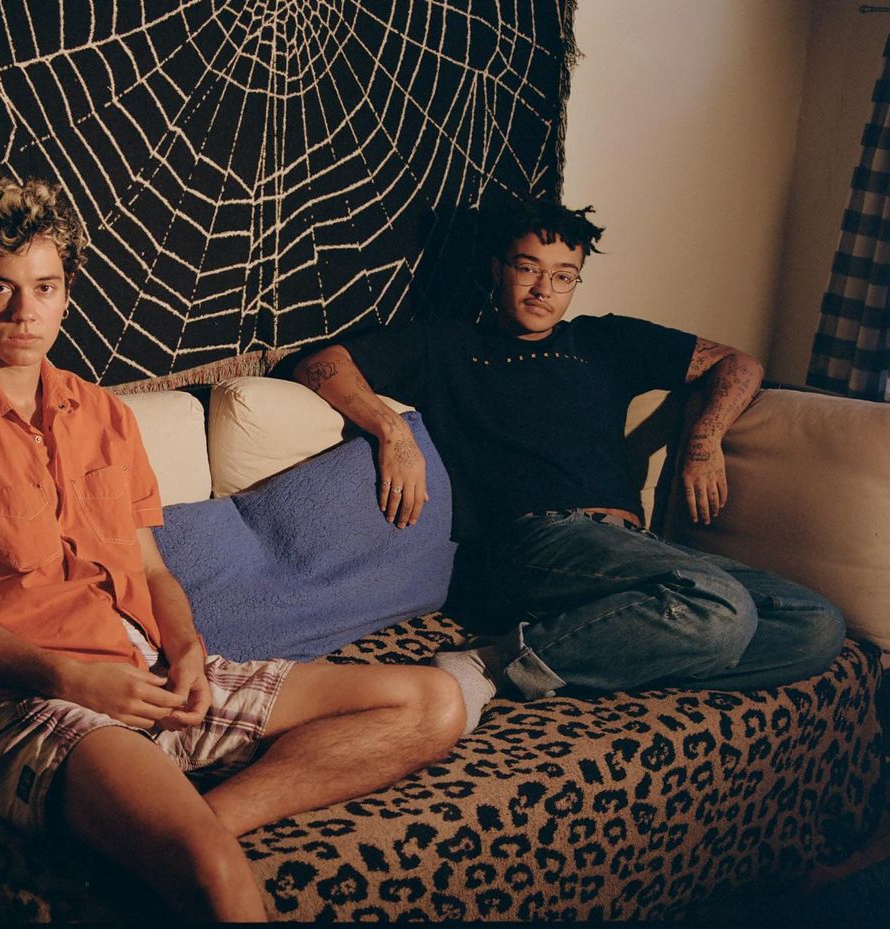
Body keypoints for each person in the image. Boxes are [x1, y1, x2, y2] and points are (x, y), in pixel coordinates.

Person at [0, 177, 464, 922]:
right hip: (30, 700)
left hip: (148, 673)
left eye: (44, 288)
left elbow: (151, 569)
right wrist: (72, 677)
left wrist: (186, 649)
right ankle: (192, 844)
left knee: (434, 702)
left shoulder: (104, 415)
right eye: (0, 288)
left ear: (66, 294)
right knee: (215, 874)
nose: (24, 312)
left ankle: (203, 821)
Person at [293, 199, 845, 735]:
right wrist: (392, 432)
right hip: (526, 544)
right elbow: (322, 363)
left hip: (628, 549)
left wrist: (705, 440)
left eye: (563, 276)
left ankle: (620, 648)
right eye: (528, 268)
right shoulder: (446, 343)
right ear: (498, 268)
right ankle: (490, 665)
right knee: (719, 604)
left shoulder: (605, 340)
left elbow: (736, 363)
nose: (543, 289)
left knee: (816, 626)